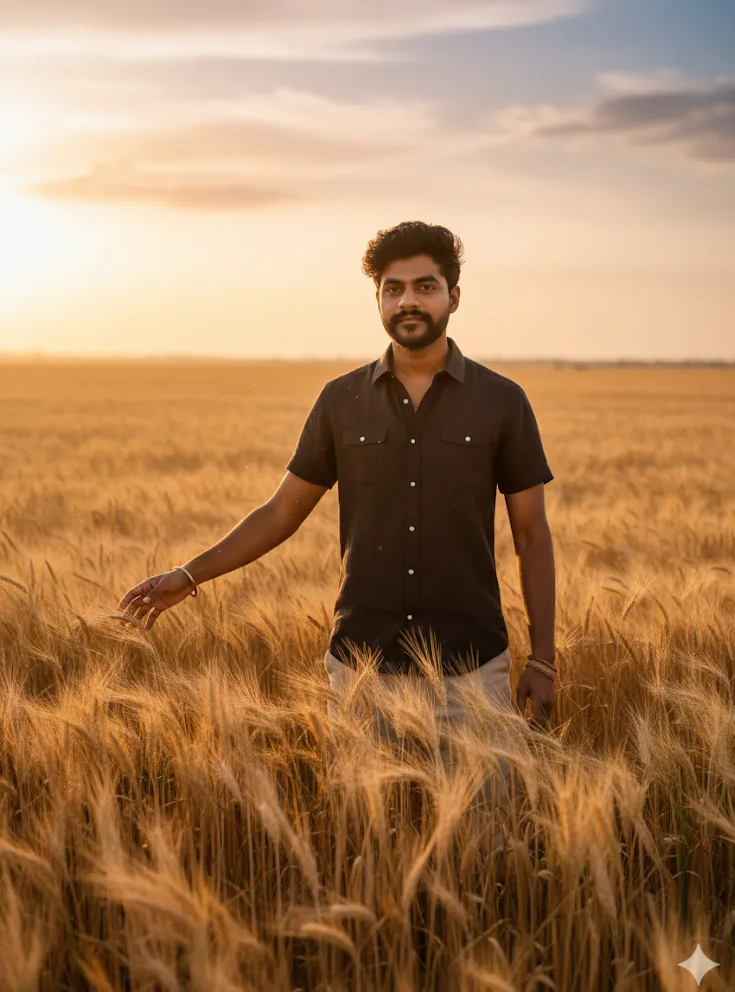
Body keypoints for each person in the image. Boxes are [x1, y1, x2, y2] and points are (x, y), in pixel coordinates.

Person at [118, 221, 558, 745]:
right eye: (393, 289)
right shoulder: (340, 401)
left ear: (454, 296)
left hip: (472, 673)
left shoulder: (502, 402)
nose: (407, 302)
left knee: (485, 829)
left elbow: (532, 534)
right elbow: (280, 512)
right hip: (362, 674)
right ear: (377, 299)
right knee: (364, 830)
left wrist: (543, 660)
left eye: (425, 286)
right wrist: (190, 575)